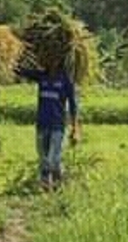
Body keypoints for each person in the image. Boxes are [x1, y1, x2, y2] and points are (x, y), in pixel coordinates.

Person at [16, 63, 80, 191]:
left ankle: (58, 188)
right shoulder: (41, 76)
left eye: (55, 59)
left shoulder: (65, 80)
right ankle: (46, 190)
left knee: (53, 159)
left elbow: (73, 105)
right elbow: (21, 71)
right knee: (43, 159)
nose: (52, 61)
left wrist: (75, 128)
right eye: (49, 59)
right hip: (42, 124)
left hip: (58, 125)